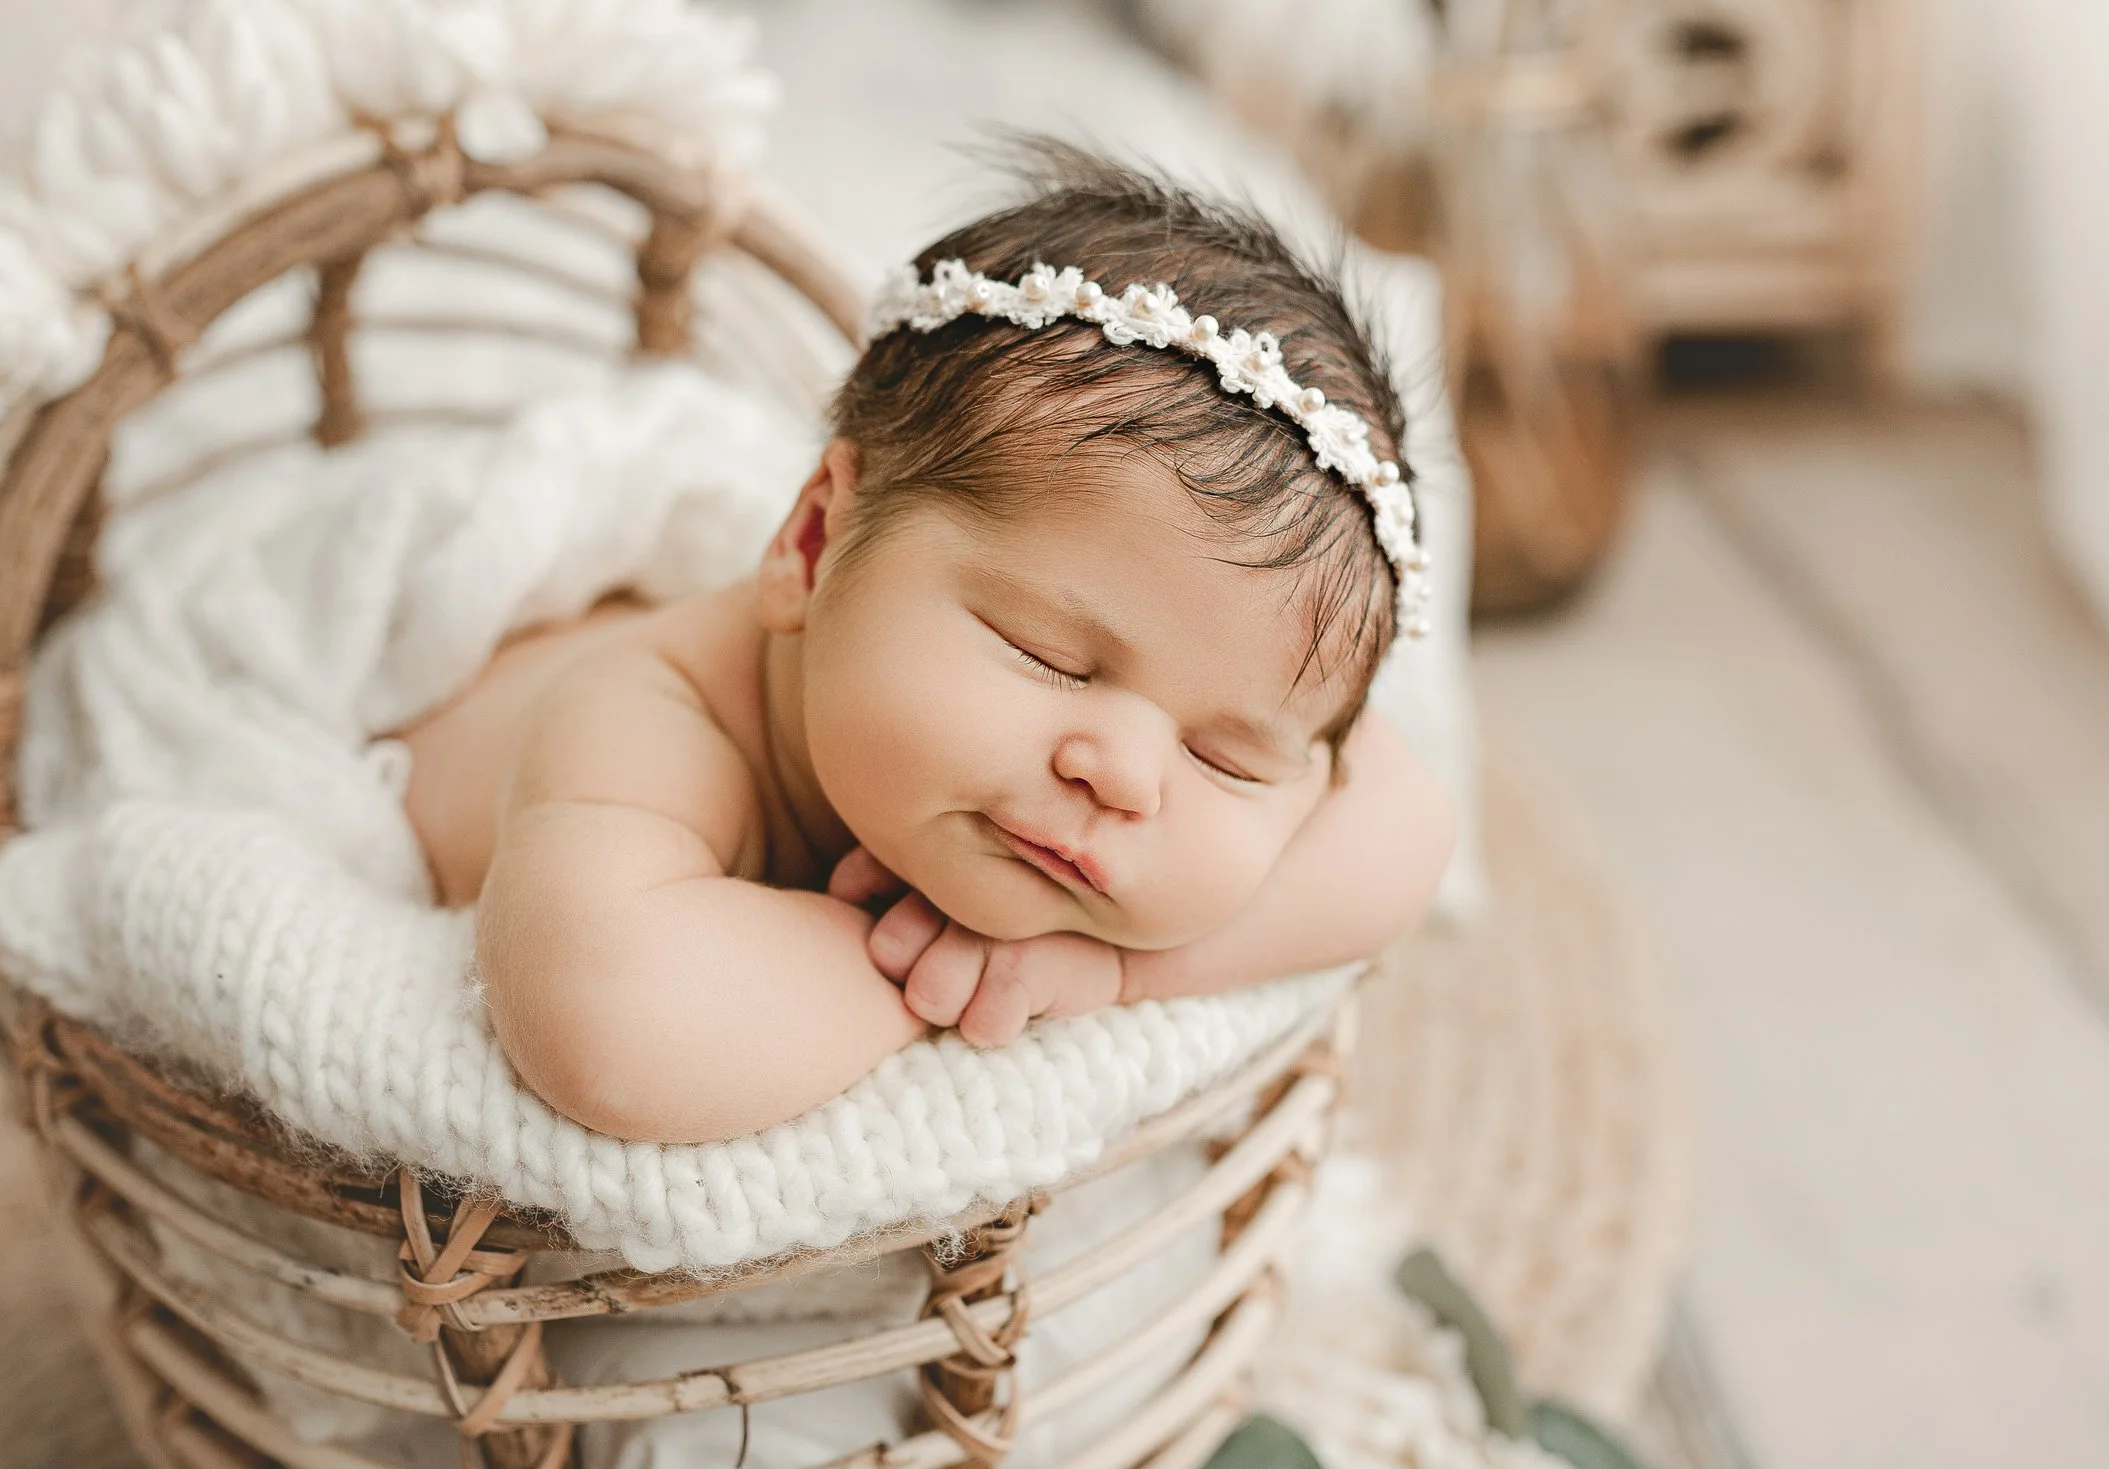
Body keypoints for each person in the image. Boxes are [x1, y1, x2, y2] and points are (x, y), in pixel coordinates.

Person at [395, 145, 1456, 1143]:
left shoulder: (1103, 744)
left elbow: (1409, 825)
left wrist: (1102, 972)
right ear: (814, 540)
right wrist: (923, 969)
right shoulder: (649, 710)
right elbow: (608, 1024)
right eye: (1046, 653)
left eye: (1226, 756)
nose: (1126, 775)